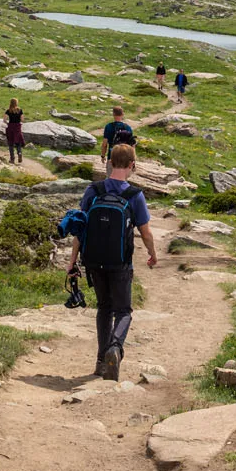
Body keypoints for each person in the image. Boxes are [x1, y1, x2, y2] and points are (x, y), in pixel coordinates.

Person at [67, 144, 157, 380]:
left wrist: (72, 261)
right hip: (120, 263)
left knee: (104, 308)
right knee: (123, 311)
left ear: (109, 163)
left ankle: (100, 362)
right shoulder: (134, 195)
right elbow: (146, 233)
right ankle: (115, 348)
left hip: (94, 261)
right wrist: (152, 253)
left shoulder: (93, 191)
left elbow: (80, 228)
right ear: (132, 165)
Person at [100, 107, 135, 172]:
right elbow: (132, 145)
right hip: (125, 158)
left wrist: (103, 156)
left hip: (112, 156)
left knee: (110, 177)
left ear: (113, 114)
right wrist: (133, 160)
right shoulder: (128, 127)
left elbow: (104, 144)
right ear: (122, 114)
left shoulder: (108, 126)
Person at [4, 98, 26, 164]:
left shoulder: (8, 110)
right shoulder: (20, 110)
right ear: (16, 103)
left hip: (11, 127)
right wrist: (19, 122)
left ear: (10, 103)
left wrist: (7, 123)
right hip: (17, 127)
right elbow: (22, 119)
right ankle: (19, 153)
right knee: (18, 142)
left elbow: (4, 119)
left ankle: (12, 159)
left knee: (11, 143)